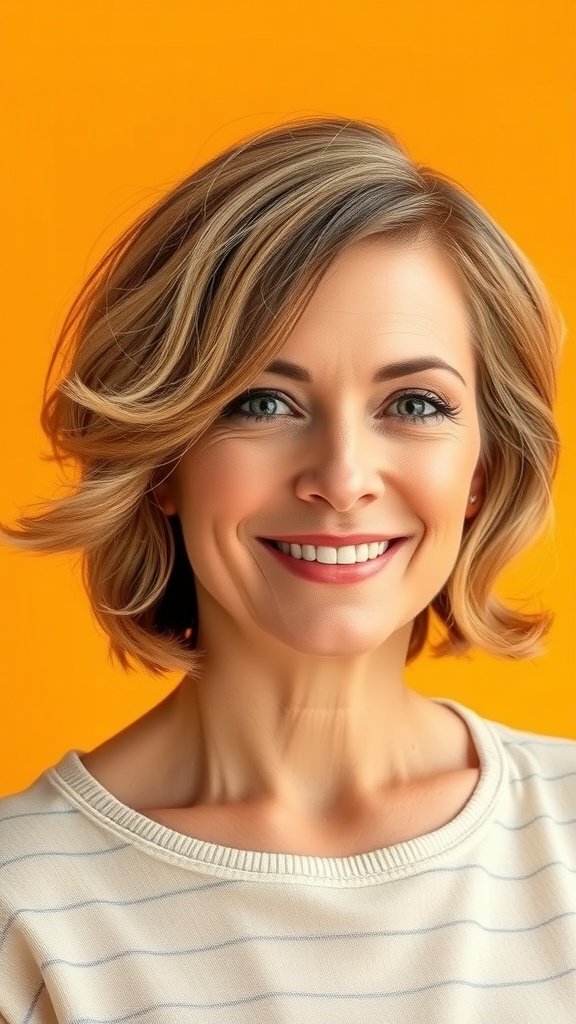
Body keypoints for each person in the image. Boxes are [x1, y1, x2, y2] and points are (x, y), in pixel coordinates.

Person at [0, 116, 573, 1023]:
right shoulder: (19, 911)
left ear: (483, 469)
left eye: (415, 403)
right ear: (162, 462)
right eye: (262, 402)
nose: (342, 479)